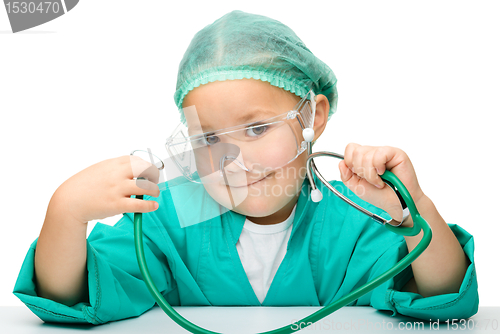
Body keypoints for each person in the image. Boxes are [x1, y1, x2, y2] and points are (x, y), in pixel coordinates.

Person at [13, 10, 478, 325]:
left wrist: (412, 211)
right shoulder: (167, 217)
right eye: (209, 138)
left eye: (257, 129)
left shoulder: (357, 216)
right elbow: (69, 297)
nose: (233, 161)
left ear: (311, 117)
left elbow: (443, 296)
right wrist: (65, 214)